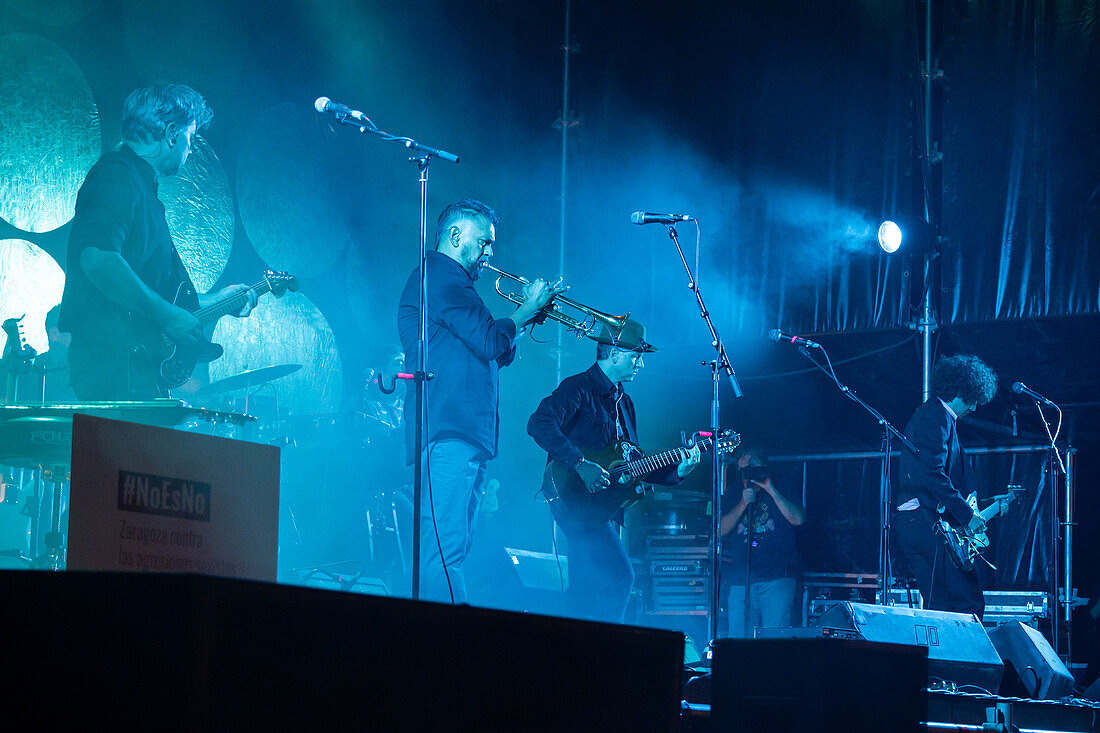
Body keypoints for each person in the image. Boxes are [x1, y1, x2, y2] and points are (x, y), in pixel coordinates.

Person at [397, 199, 563, 604]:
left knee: (452, 549)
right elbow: (490, 340)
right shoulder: (440, 275)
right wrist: (525, 309)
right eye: (484, 242)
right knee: (444, 552)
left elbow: (495, 349)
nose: (490, 253)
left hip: (462, 435)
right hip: (448, 432)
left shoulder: (453, 285)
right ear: (455, 236)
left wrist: (527, 319)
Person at [58, 83, 256, 400]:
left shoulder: (140, 187)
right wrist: (168, 316)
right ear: (172, 133)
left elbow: (160, 296)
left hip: (134, 365)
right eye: (190, 139)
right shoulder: (117, 175)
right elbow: (97, 258)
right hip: (114, 366)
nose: (190, 150)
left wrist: (220, 300)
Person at [527, 320, 701, 623]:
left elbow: (633, 462)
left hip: (603, 509)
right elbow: (539, 423)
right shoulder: (577, 387)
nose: (641, 364)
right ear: (615, 353)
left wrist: (678, 471)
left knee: (589, 586)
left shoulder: (625, 402)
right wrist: (580, 464)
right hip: (575, 501)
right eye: (636, 356)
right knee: (619, 577)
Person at [895, 354, 998, 618]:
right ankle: (968, 660)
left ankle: (937, 659)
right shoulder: (936, 417)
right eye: (973, 400)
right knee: (966, 602)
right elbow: (932, 473)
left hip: (915, 522)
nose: (974, 408)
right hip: (924, 520)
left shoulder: (935, 416)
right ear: (960, 391)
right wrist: (966, 514)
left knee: (939, 606)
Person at [719, 447, 804, 637]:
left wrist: (770, 488)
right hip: (742, 580)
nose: (749, 475)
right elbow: (720, 531)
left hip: (776, 579)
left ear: (764, 467)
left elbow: (798, 519)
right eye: (743, 470)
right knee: (738, 642)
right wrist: (742, 503)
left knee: (772, 640)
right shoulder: (734, 491)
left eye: (753, 468)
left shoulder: (782, 485)